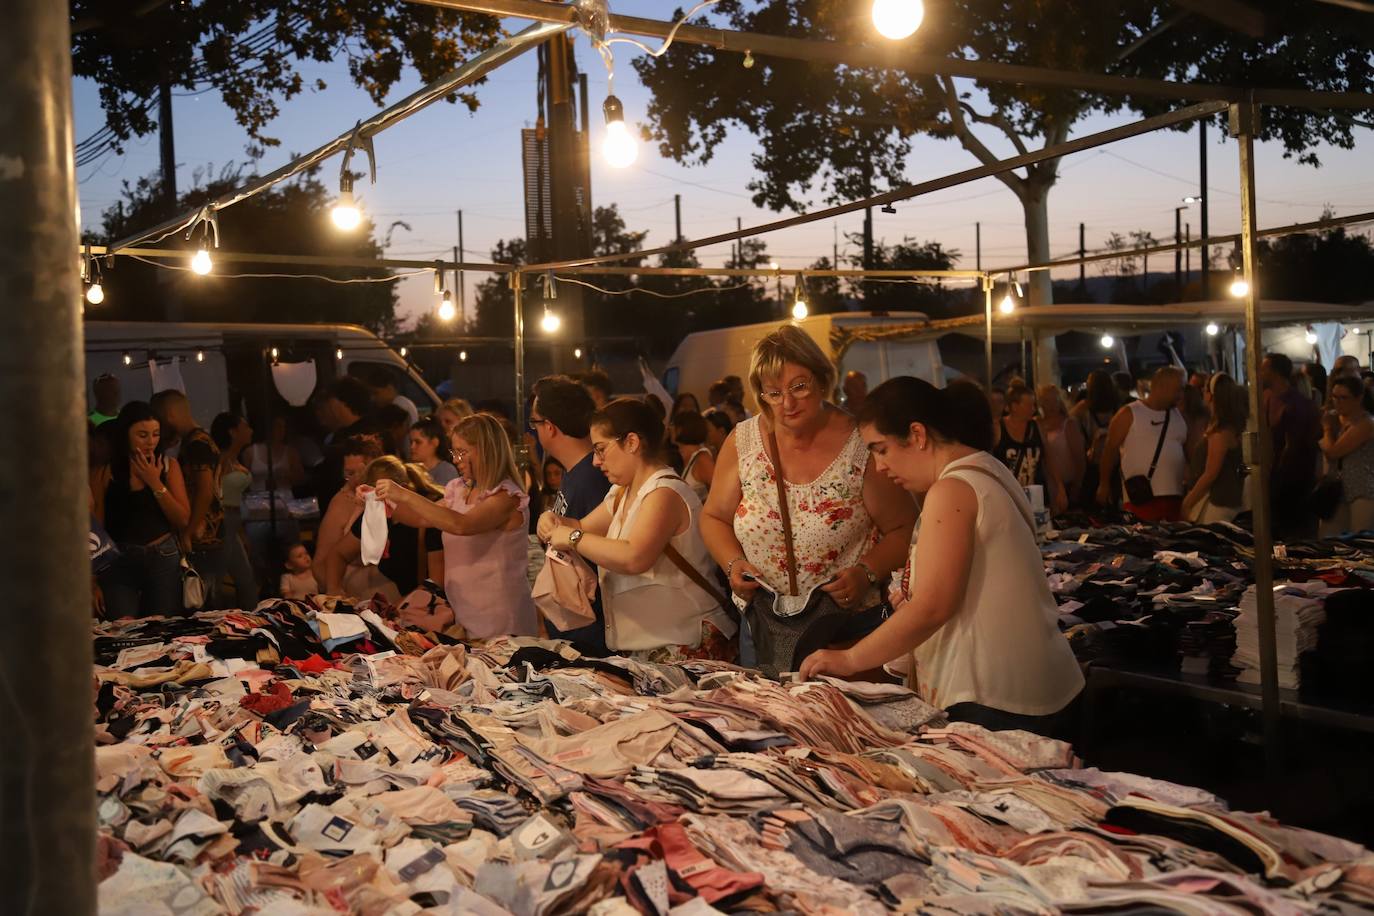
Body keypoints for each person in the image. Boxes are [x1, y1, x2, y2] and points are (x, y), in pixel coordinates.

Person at [798, 377, 1083, 735]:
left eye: (881, 448)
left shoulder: (952, 490)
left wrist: (850, 659)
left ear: (917, 435)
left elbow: (933, 606)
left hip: (996, 700)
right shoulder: (987, 468)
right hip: (1032, 687)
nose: (880, 466)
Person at [701, 325, 917, 667]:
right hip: (763, 627)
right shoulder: (742, 442)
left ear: (821, 378)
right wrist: (732, 563)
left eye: (798, 387)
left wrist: (866, 573)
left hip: (845, 629)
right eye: (773, 393)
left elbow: (905, 528)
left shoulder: (860, 445)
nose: (787, 403)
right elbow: (713, 516)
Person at [541, 399, 738, 661]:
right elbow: (581, 526)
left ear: (631, 442)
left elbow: (634, 556)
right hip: (649, 647)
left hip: (683, 646)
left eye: (601, 450)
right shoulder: (622, 493)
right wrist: (553, 520)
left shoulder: (664, 492)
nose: (596, 462)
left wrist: (573, 537)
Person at [376, 413, 539, 638]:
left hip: (501, 617)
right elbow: (422, 518)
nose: (455, 460)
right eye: (454, 452)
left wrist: (404, 494)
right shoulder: (460, 491)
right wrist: (381, 500)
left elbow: (461, 525)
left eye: (462, 452)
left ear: (486, 450)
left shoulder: (506, 497)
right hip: (465, 612)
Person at [529, 375, 613, 654]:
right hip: (579, 624)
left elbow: (605, 553)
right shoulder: (574, 472)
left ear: (549, 427)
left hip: (594, 629)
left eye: (535, 422)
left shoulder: (593, 475)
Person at [92, 402, 192, 617]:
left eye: (156, 434)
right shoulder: (107, 471)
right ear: (125, 434)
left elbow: (182, 519)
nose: (150, 442)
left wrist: (155, 483)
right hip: (119, 560)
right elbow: (96, 527)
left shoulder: (168, 465)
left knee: (163, 629)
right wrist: (93, 580)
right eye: (142, 435)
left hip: (162, 556)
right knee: (123, 629)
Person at [325, 456, 444, 598]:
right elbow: (338, 554)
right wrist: (334, 589)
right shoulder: (376, 511)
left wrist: (400, 608)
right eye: (372, 501)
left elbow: (437, 582)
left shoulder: (432, 516)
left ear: (403, 490)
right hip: (407, 600)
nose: (377, 507)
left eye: (381, 500)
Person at [151, 389, 227, 605]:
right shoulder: (199, 440)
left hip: (204, 537)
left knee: (201, 601)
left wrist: (189, 530)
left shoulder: (196, 444)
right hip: (209, 534)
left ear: (169, 414)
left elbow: (205, 489)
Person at [1097, 366, 1188, 522]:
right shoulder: (1129, 414)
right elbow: (1110, 450)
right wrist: (1104, 484)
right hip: (1142, 498)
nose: (1180, 395)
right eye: (1177, 390)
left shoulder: (1177, 415)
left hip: (1175, 497)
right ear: (1161, 387)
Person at [313, 436, 385, 598]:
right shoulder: (341, 503)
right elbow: (319, 564)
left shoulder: (391, 494)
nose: (357, 479)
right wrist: (337, 595)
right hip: (354, 589)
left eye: (363, 472)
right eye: (350, 473)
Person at [1261, 353, 1322, 539]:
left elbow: (1297, 446)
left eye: (1263, 369)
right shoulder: (1267, 398)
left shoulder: (1297, 404)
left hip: (1294, 482)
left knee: (1293, 536)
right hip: (1274, 477)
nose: (1259, 373)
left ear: (1274, 373)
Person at [1181, 374, 1248, 523]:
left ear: (1212, 396)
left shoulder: (1221, 433)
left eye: (1205, 390)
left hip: (1216, 504)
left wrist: (1187, 502)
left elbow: (1210, 473)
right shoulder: (1227, 428)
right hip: (1222, 501)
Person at [210, 412, 259, 608]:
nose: (250, 430)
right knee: (219, 579)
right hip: (221, 520)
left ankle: (249, 619)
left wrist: (241, 531)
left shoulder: (235, 458)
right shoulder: (219, 459)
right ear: (232, 432)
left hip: (234, 519)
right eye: (245, 426)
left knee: (245, 579)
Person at [993, 386, 1066, 513]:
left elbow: (1049, 458)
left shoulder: (1037, 427)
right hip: (1008, 496)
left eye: (1034, 405)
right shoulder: (998, 428)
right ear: (1015, 406)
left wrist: (1059, 487)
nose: (1033, 409)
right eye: (1029, 405)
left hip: (1035, 496)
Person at [1318, 376, 1374, 537]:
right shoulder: (1340, 419)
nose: (1338, 402)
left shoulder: (1365, 423)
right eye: (1334, 397)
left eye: (1344, 398)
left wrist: (1327, 429)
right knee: (1329, 537)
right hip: (1338, 489)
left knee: (1360, 539)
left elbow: (1333, 453)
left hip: (1362, 490)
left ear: (1359, 398)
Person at [1072, 369, 1120, 507]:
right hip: (1115, 463)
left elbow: (1068, 422)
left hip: (1092, 465)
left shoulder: (1083, 408)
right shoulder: (1117, 408)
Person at [1037, 384, 1086, 507]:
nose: (1052, 405)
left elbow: (1079, 457)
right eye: (1047, 401)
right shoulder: (1036, 423)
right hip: (1045, 484)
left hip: (1067, 483)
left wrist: (1077, 484)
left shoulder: (1068, 424)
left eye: (1055, 400)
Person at [246, 415, 306, 496]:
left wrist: (287, 475)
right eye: (278, 426)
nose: (282, 430)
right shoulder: (251, 451)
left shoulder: (290, 452)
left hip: (284, 499)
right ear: (269, 428)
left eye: (283, 427)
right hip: (257, 500)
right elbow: (243, 481)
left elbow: (301, 479)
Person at [671, 411, 716, 503]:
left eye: (672, 424)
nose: (669, 428)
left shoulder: (702, 459)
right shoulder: (682, 457)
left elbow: (719, 491)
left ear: (680, 429)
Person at [409, 417, 459, 486]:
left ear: (434, 442)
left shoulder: (446, 471)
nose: (412, 447)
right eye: (411, 442)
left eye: (418, 442)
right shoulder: (410, 470)